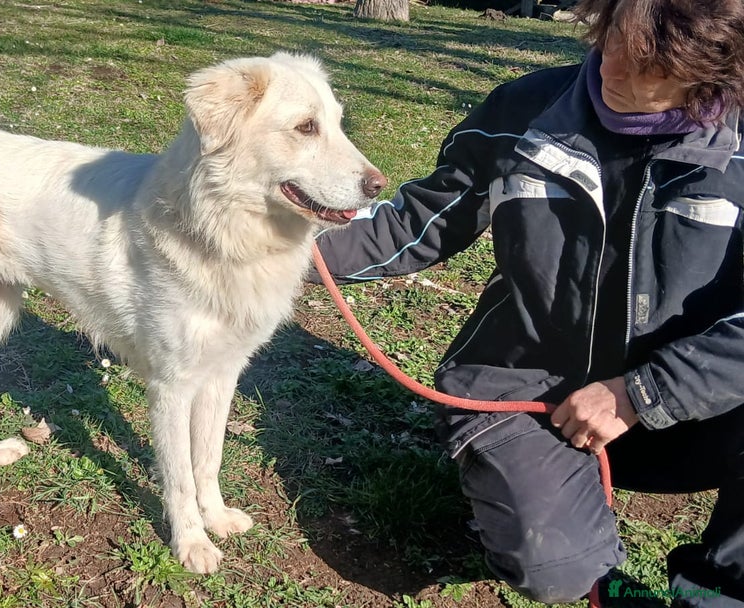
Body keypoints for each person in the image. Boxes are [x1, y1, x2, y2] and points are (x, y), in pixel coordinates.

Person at [309, 0, 744, 605]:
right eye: (614, 37)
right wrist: (270, 248)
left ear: (712, 71)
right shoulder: (524, 110)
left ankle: (719, 591)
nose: (613, 67)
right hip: (529, 385)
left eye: (650, 64)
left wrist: (646, 393)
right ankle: (591, 571)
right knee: (555, 570)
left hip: (693, 409)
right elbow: (419, 222)